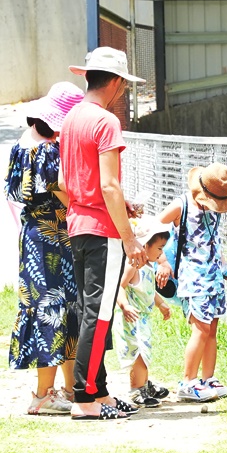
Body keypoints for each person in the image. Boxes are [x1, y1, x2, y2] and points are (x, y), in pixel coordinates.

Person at [59, 46, 148, 421]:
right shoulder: (105, 122)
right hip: (103, 232)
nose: (123, 92)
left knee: (87, 309)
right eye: (124, 86)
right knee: (98, 313)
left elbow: (66, 181)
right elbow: (109, 185)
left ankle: (100, 391)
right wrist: (129, 236)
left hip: (77, 225)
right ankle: (85, 398)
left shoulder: (71, 119)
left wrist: (112, 203)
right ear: (114, 82)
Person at [4, 81, 84, 415]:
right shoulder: (49, 151)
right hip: (54, 237)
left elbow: (14, 196)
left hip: (34, 236)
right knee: (54, 311)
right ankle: (44, 394)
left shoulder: (20, 147)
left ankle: (66, 388)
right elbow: (65, 192)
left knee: (57, 311)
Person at [157, 163, 227, 402]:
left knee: (212, 328)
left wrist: (224, 268)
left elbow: (214, 241)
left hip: (214, 275)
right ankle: (188, 381)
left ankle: (208, 378)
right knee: (200, 329)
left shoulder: (214, 209)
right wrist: (162, 261)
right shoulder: (181, 206)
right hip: (194, 278)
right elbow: (152, 231)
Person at [113, 216, 174, 408]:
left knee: (145, 353)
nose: (161, 253)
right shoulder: (134, 265)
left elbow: (147, 289)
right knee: (138, 354)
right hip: (131, 320)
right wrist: (124, 306)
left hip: (142, 320)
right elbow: (119, 287)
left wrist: (161, 303)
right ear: (144, 245)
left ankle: (145, 385)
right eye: (159, 248)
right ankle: (136, 390)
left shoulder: (148, 267)